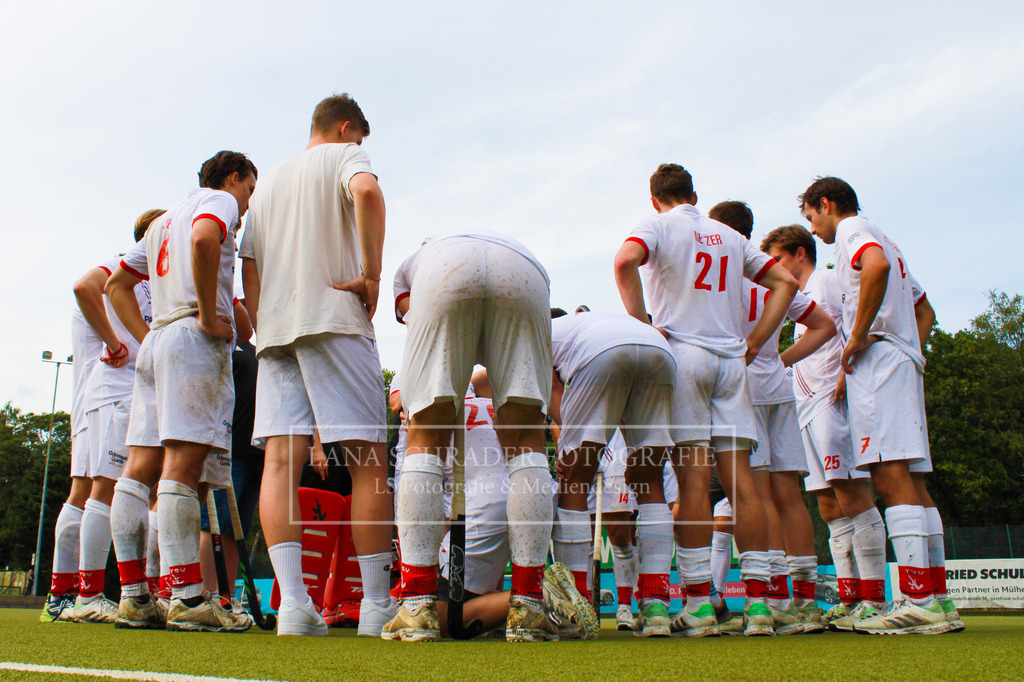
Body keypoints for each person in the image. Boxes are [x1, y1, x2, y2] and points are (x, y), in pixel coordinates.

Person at [614, 164, 799, 637]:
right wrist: (757, 338)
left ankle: (698, 604)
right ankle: (758, 606)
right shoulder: (729, 236)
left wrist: (640, 323)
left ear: (655, 198)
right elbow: (785, 284)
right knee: (744, 486)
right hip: (731, 362)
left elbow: (623, 262)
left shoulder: (655, 224)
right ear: (695, 194)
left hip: (685, 356)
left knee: (693, 480)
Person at [239, 93, 393, 637]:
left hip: (276, 331)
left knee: (280, 462)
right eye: (358, 138)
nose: (360, 148)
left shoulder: (268, 185)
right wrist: (373, 273)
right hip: (333, 316)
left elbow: (249, 266)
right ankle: (376, 604)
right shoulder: (344, 156)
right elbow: (368, 193)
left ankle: (295, 607)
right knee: (369, 460)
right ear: (347, 127)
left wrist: (264, 323)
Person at [106, 151, 257, 633]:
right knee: (181, 467)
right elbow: (204, 237)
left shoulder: (161, 220)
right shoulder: (218, 202)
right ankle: (188, 598)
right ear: (234, 178)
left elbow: (117, 285)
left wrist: (144, 336)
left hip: (159, 342)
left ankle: (134, 594)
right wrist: (212, 315)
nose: (248, 204)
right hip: (193, 339)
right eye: (249, 190)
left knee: (139, 467)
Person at [385, 229, 555, 642]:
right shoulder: (508, 249)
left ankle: (417, 605)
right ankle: (531, 604)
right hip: (528, 271)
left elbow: (423, 321)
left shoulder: (415, 265)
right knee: (527, 444)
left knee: (425, 438)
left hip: (445, 276)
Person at [799, 176, 950, 634]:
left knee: (889, 474)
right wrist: (912, 352)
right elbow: (926, 310)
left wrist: (862, 334)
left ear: (826, 204)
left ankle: (917, 600)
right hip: (901, 359)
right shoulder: (888, 237)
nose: (814, 229)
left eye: (811, 217)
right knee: (915, 480)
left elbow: (876, 267)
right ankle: (937, 598)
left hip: (880, 361)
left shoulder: (851, 230)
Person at [710, 201, 836, 635]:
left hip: (739, 389)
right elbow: (824, 326)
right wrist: (778, 358)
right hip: (778, 388)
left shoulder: (721, 275)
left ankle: (773, 600)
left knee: (754, 493)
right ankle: (805, 602)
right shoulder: (771, 275)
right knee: (789, 494)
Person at [760, 223, 889, 630]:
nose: (773, 267)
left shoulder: (829, 281)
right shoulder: (795, 300)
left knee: (853, 493)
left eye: (778, 258)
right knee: (828, 504)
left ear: (800, 253)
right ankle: (850, 600)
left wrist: (845, 376)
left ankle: (875, 598)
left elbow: (854, 326)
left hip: (832, 402)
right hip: (804, 406)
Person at [548, 307, 674, 637]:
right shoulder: (582, 322)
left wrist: (570, 452)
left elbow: (551, 392)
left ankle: (572, 611)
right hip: (659, 350)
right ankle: (658, 607)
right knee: (650, 482)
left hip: (604, 352)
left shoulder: (537, 333)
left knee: (575, 481)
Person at [69, 211, 160, 622]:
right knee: (103, 488)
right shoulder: (125, 265)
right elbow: (84, 285)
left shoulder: (156, 282)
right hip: (114, 391)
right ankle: (88, 596)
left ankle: (130, 590)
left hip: (135, 392)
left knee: (131, 489)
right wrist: (114, 342)